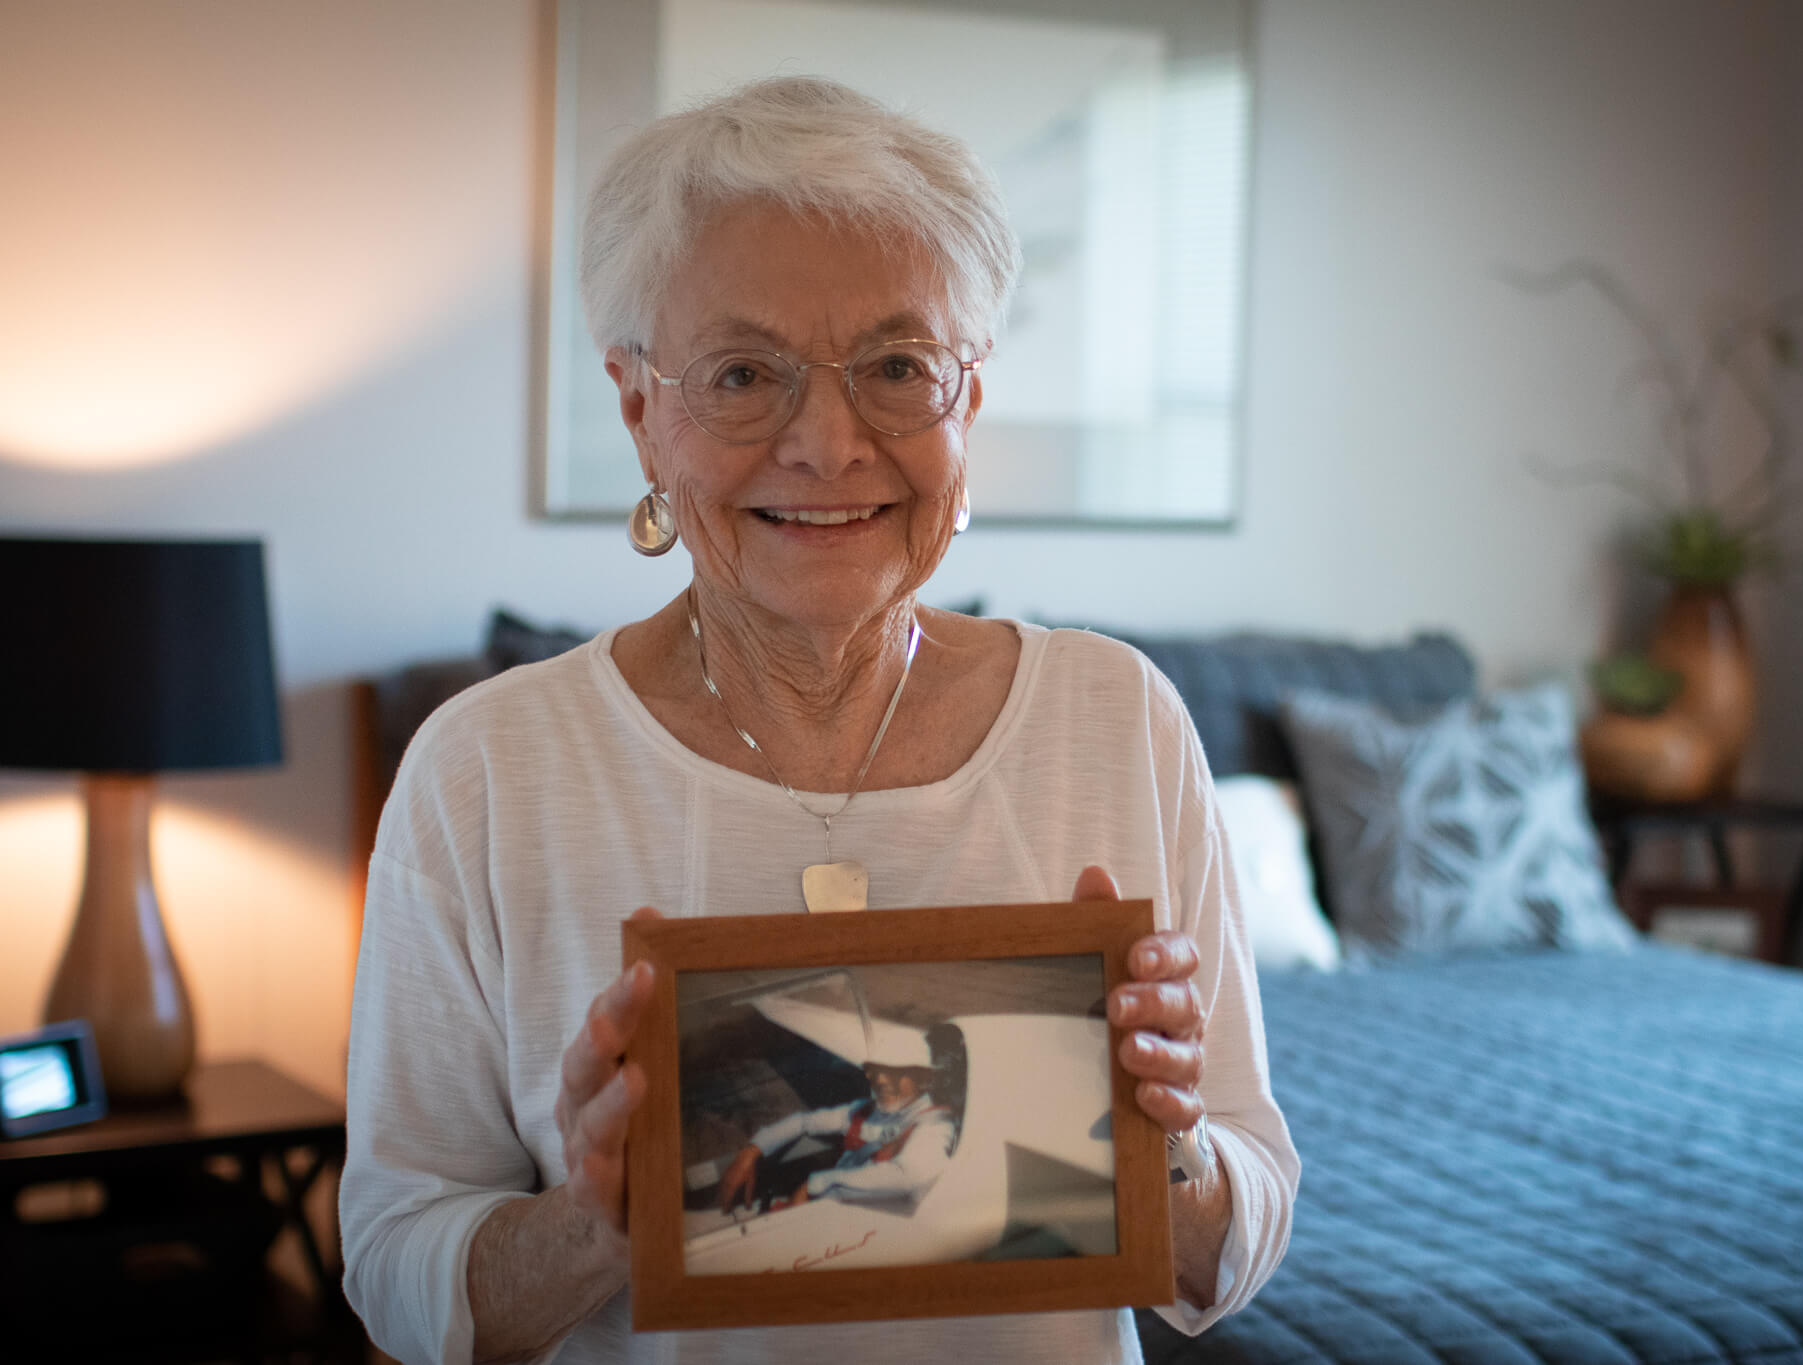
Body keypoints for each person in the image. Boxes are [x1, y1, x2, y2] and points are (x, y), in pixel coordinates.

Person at [340, 75, 1297, 1365]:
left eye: (896, 367)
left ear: (966, 400)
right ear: (639, 409)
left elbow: (1226, 1257)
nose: (829, 444)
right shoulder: (488, 770)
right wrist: (599, 1223)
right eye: (745, 374)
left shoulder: (1113, 716)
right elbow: (395, 1272)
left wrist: (1162, 1142)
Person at [716, 1028, 958, 1216]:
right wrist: (752, 1150)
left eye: (895, 1070)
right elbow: (804, 1122)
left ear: (924, 1078)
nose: (881, 1080)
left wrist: (815, 1185)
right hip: (819, 1209)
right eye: (875, 1069)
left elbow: (907, 1176)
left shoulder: (935, 1125)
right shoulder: (864, 1111)